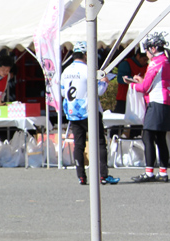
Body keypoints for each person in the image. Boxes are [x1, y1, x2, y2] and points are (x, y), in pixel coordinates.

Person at [60, 41, 119, 186]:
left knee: (78, 143)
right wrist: (104, 81)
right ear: (86, 54)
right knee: (99, 143)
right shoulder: (88, 70)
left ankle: (81, 176)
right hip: (89, 110)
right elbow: (98, 90)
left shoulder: (65, 71)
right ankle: (103, 175)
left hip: (72, 110)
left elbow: (62, 91)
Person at [128, 33, 170, 183]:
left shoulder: (156, 62)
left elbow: (145, 87)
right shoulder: (166, 60)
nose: (145, 53)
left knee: (147, 136)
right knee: (160, 138)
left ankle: (149, 172)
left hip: (156, 102)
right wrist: (142, 80)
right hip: (165, 102)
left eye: (146, 50)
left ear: (153, 49)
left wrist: (132, 84)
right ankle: (163, 172)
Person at [114, 47, 148, 118]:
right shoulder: (126, 64)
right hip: (124, 97)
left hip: (138, 98)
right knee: (118, 120)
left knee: (138, 122)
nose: (145, 62)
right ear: (138, 56)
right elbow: (120, 79)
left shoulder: (147, 66)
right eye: (144, 59)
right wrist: (134, 79)